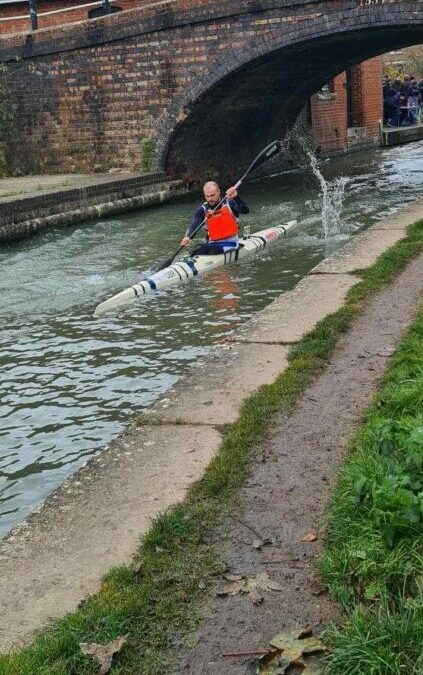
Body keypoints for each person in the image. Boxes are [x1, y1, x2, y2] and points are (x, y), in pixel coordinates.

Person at [180, 181, 249, 255]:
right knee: (196, 251)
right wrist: (188, 237)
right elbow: (194, 225)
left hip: (231, 244)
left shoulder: (230, 203)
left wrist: (236, 197)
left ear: (218, 192)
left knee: (210, 250)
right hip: (212, 244)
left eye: (212, 195)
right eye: (207, 196)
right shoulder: (202, 210)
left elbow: (245, 210)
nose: (210, 199)